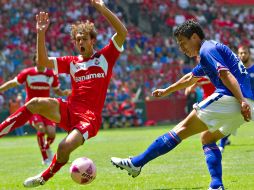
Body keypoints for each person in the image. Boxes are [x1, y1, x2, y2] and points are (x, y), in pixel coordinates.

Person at [111, 20, 253, 190]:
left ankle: (136, 163)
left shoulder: (207, 50)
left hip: (233, 98)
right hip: (245, 102)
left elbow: (225, 75)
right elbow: (190, 78)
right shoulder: (209, 51)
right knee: (208, 138)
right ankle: (216, 186)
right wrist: (167, 90)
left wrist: (240, 100)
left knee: (181, 129)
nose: (181, 48)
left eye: (183, 43)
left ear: (194, 37)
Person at [0, 0, 127, 187]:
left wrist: (101, 8)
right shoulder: (72, 62)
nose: (80, 42)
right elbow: (42, 60)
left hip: (89, 118)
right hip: (69, 108)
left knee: (64, 147)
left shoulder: (105, 57)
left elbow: (122, 32)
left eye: (84, 38)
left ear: (92, 40)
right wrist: (41, 33)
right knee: (34, 103)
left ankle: (44, 177)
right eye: (77, 39)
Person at [0, 56, 70, 165]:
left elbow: (57, 90)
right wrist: (1, 89)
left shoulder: (51, 74)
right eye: (38, 59)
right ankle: (45, 158)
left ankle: (46, 148)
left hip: (46, 108)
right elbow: (13, 83)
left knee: (51, 134)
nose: (40, 61)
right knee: (41, 129)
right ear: (35, 61)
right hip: (32, 108)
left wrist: (63, 93)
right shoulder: (28, 73)